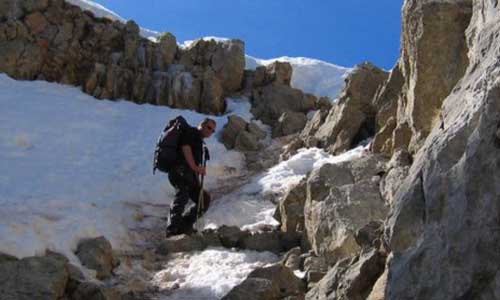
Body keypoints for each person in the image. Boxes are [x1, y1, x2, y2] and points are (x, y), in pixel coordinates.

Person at [166, 118, 216, 237]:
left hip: (189, 175)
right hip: (178, 171)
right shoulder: (191, 132)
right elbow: (185, 148)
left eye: (213, 131)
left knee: (203, 199)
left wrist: (197, 173)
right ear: (201, 125)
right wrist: (195, 167)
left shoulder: (199, 141)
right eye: (209, 128)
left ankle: (183, 225)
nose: (210, 131)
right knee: (182, 195)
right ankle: (172, 228)